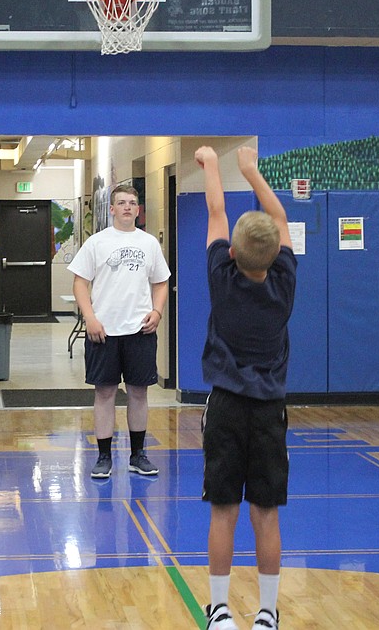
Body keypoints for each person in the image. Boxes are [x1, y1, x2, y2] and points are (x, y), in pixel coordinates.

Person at [195, 145, 295, 630]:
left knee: (223, 511)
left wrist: (211, 165)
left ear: (231, 254)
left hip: (226, 406)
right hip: (270, 410)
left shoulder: (220, 277)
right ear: (277, 253)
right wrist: (251, 171)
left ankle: (218, 611)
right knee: (267, 513)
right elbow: (279, 217)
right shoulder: (285, 282)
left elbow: (216, 210)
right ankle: (268, 613)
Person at [68, 183, 170, 479]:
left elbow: (161, 282)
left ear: (138, 210)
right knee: (105, 393)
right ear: (111, 209)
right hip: (104, 331)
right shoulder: (97, 243)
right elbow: (79, 282)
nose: (127, 207)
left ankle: (138, 455)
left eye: (132, 203)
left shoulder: (149, 243)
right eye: (121, 203)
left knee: (139, 393)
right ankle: (103, 457)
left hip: (140, 330)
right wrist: (90, 318)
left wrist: (157, 311)